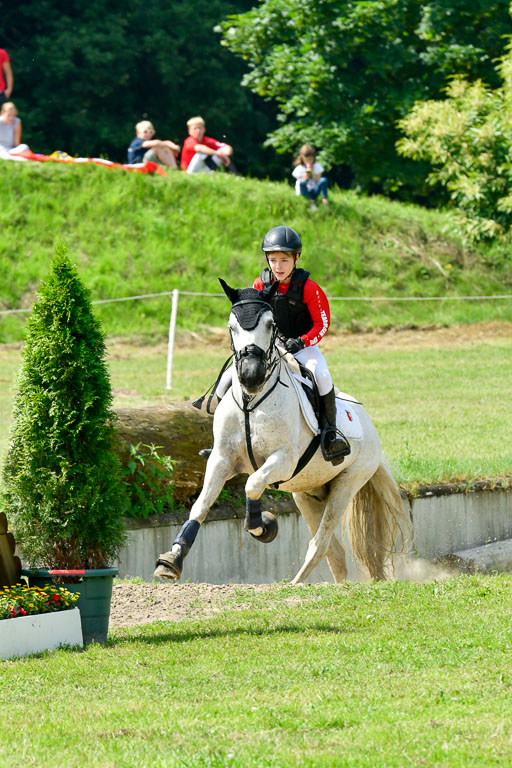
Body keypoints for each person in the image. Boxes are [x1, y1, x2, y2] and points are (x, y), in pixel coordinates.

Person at [202, 225, 350, 465]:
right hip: (271, 347)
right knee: (229, 377)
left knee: (321, 375)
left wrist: (302, 341)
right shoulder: (260, 285)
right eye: (273, 260)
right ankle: (217, 441)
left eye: (284, 260)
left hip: (304, 347)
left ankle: (330, 435)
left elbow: (322, 324)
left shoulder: (310, 288)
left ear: (296, 259)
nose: (278, 266)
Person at [292, 144, 328, 211]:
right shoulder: (299, 169)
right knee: (302, 182)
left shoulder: (317, 167)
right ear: (302, 158)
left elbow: (318, 181)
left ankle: (325, 199)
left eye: (310, 159)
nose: (309, 161)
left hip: (314, 190)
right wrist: (307, 173)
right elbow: (303, 182)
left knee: (324, 180)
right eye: (307, 159)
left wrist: (313, 172)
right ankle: (311, 201)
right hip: (304, 192)